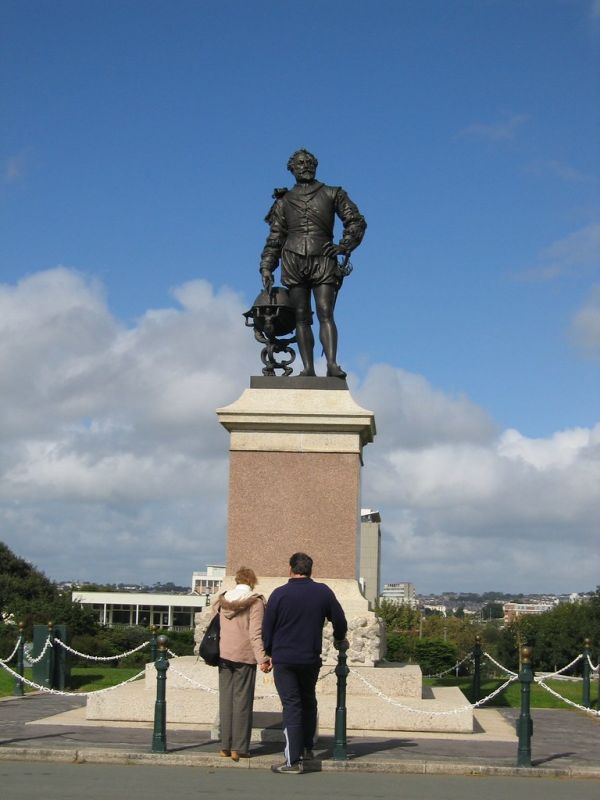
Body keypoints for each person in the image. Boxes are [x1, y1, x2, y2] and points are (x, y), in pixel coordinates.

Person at [259, 149, 366, 379]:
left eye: (309, 162)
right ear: (292, 168)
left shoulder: (332, 193)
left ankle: (332, 364)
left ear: (315, 166)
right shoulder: (284, 201)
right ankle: (308, 369)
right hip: (293, 258)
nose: (305, 166)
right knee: (301, 316)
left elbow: (355, 220)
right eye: (300, 163)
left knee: (325, 312)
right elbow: (276, 236)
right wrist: (267, 266)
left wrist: (344, 245)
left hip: (323, 257)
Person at [262, 552, 348, 774]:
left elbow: (267, 629)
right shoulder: (322, 592)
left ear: (290, 569)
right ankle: (308, 747)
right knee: (308, 700)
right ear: (311, 570)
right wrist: (339, 637)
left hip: (284, 657)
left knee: (292, 705)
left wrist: (269, 652)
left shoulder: (279, 594)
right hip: (309, 657)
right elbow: (340, 620)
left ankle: (293, 759)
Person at [210, 566, 271, 761]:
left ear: (236, 580)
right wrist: (263, 658)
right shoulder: (256, 601)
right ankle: (239, 747)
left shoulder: (222, 600)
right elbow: (255, 634)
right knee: (242, 702)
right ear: (252, 581)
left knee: (226, 701)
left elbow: (215, 627)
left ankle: (224, 746)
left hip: (223, 654)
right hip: (244, 656)